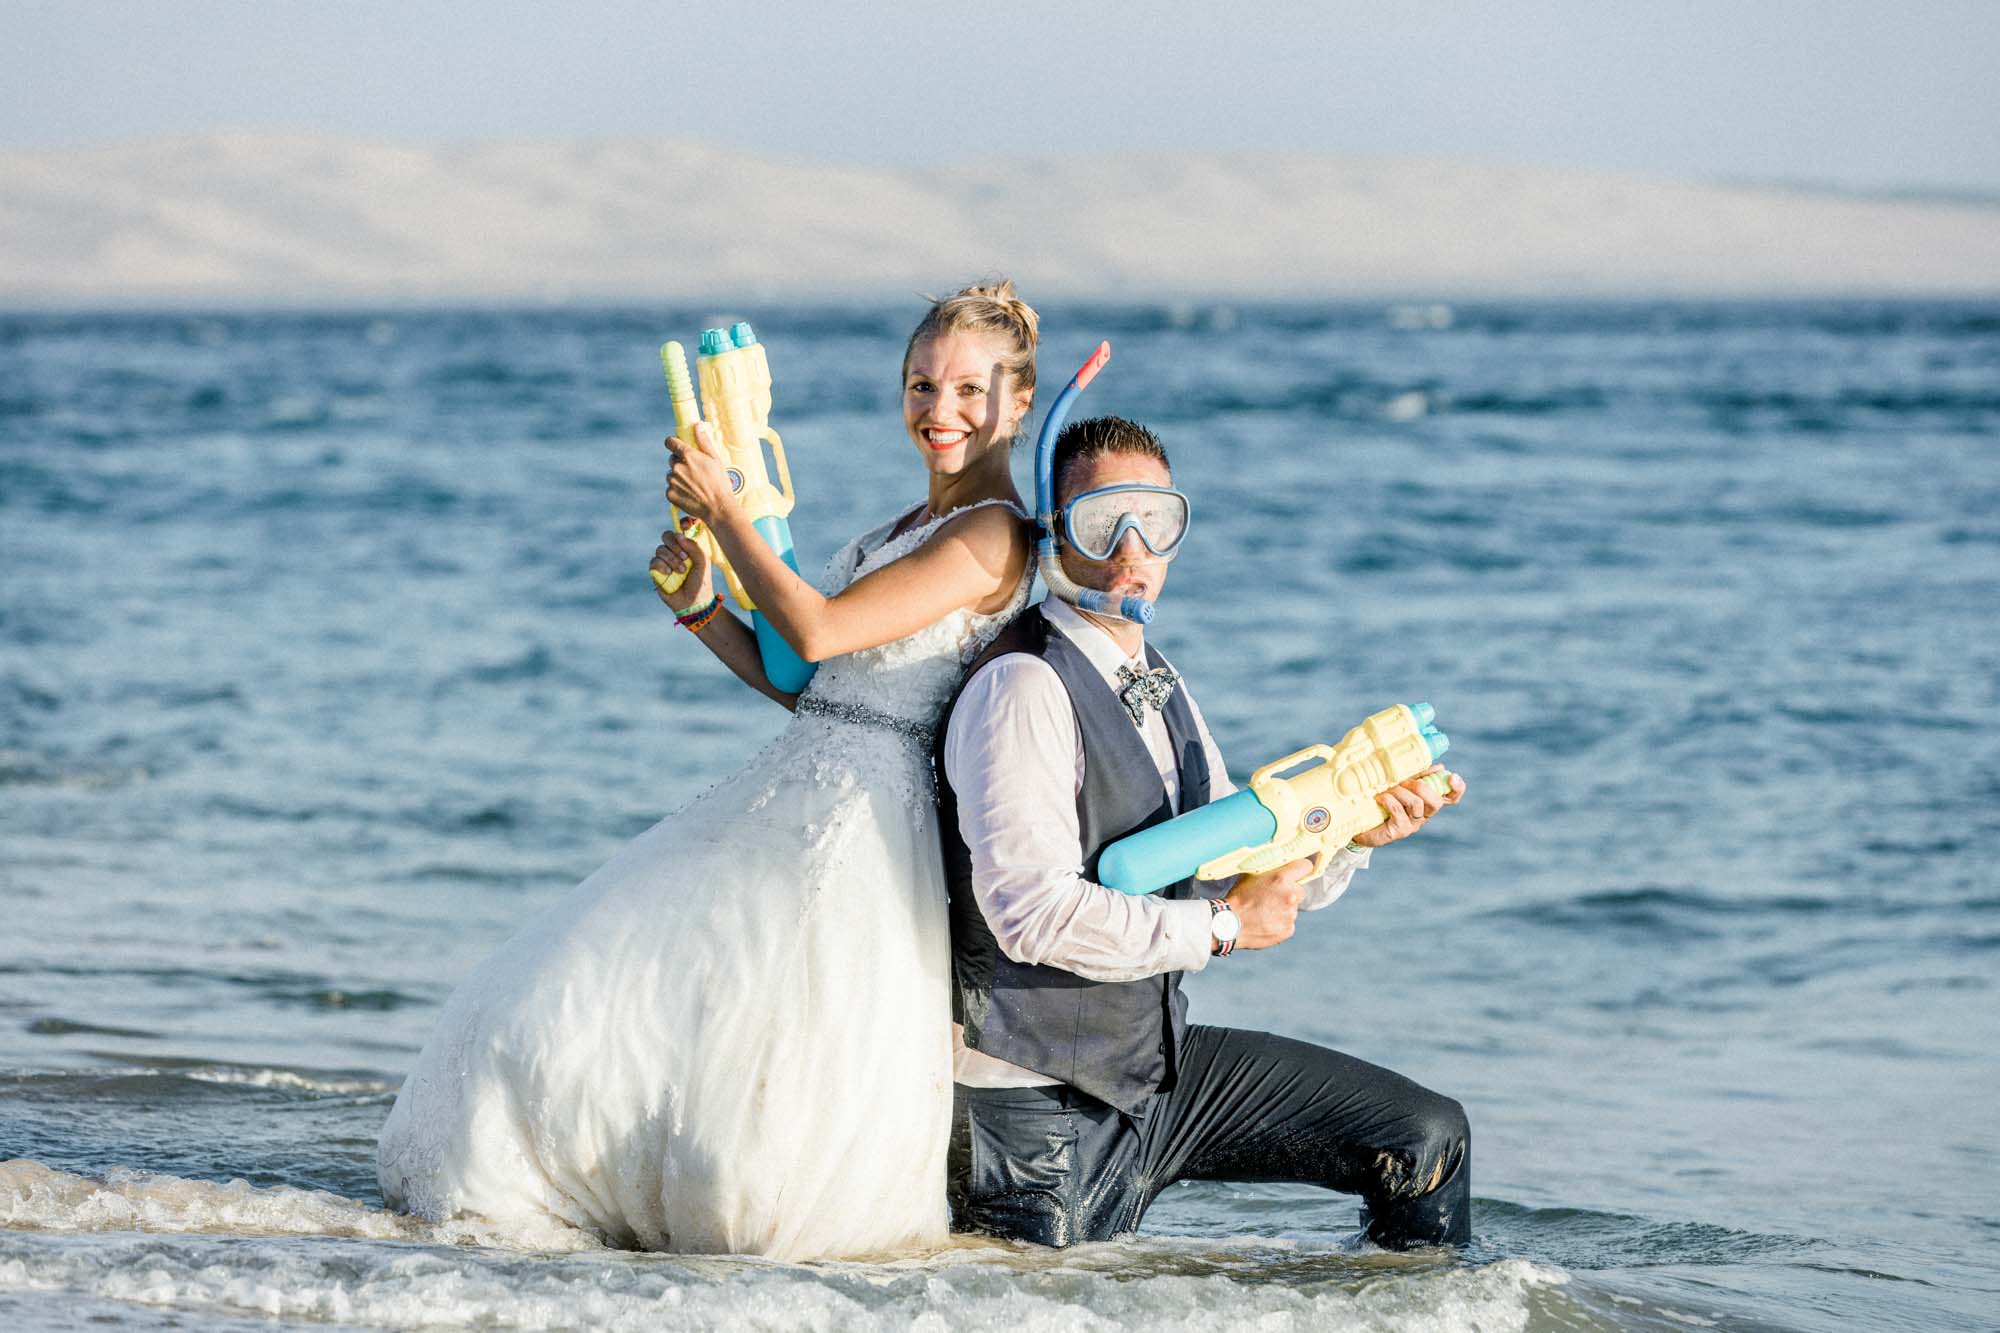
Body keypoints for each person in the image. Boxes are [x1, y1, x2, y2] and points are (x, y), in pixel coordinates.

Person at [377, 282, 1042, 1260]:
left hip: (864, 821)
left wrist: (728, 508)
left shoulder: (993, 532)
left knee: (777, 1037)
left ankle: (735, 1233)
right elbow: (816, 681)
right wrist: (702, 610)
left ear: (1017, 402)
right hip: (802, 778)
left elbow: (816, 625)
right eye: (918, 385)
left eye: (966, 390)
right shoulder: (916, 517)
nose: (938, 410)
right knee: (642, 993)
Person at [938, 415, 1471, 1251]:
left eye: (1155, 521)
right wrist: (1223, 929)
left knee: (1424, 1138)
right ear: (1052, 531)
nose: (1130, 547)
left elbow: (1231, 860)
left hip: (1154, 1071)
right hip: (1033, 1111)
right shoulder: (1022, 687)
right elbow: (1029, 913)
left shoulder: (1160, 679)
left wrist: (1356, 831)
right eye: (1100, 518)